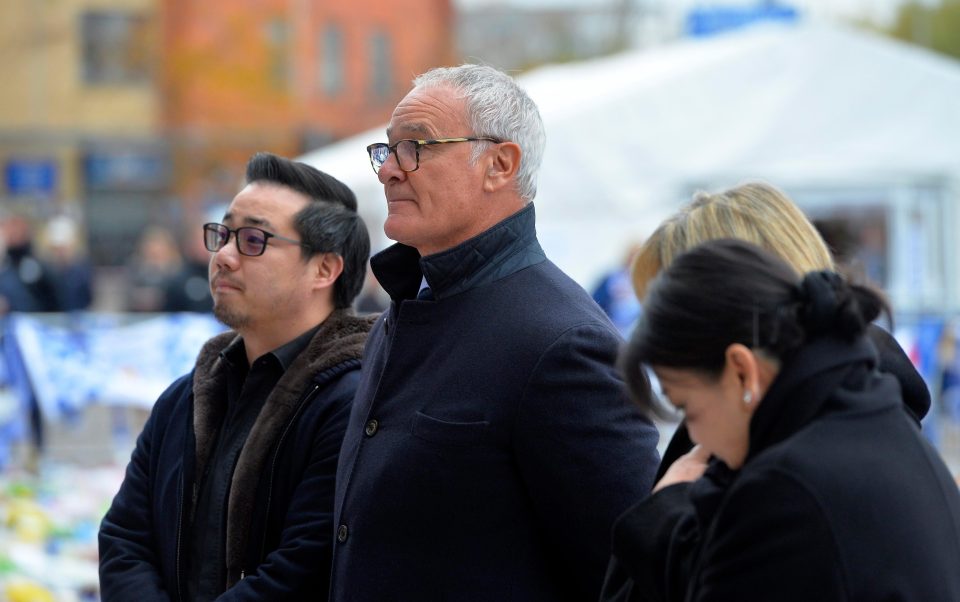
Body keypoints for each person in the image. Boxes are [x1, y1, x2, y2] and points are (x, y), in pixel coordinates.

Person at [329, 64, 660, 601]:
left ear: (500, 165)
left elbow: (626, 576)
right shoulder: (411, 305)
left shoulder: (563, 342)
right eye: (386, 150)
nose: (389, 169)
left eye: (416, 146)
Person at [608, 238, 960, 601]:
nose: (693, 434)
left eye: (688, 410)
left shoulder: (784, 490)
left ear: (742, 372)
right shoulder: (879, 419)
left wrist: (665, 512)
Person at [98, 152, 375, 601]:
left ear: (325, 268)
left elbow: (304, 570)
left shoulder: (354, 406)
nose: (224, 256)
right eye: (223, 234)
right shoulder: (187, 397)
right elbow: (124, 537)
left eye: (253, 239)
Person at [629, 183, 930, 484]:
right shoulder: (852, 401)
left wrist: (667, 508)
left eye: (672, 320)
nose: (662, 340)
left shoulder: (803, 449)